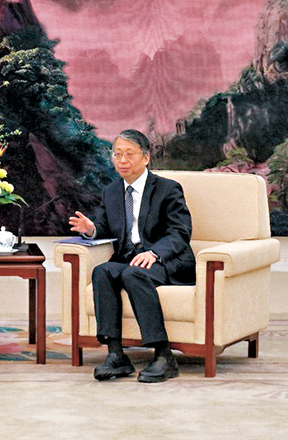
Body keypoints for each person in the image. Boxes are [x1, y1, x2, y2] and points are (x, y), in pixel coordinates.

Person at [68, 129, 194, 383]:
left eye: (129, 154)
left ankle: (163, 355)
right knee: (103, 271)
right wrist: (91, 230)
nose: (122, 160)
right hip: (129, 260)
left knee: (134, 274)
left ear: (146, 158)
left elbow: (180, 232)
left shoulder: (168, 189)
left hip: (167, 260)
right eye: (117, 155)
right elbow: (105, 228)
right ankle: (116, 355)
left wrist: (154, 253)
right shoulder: (111, 191)